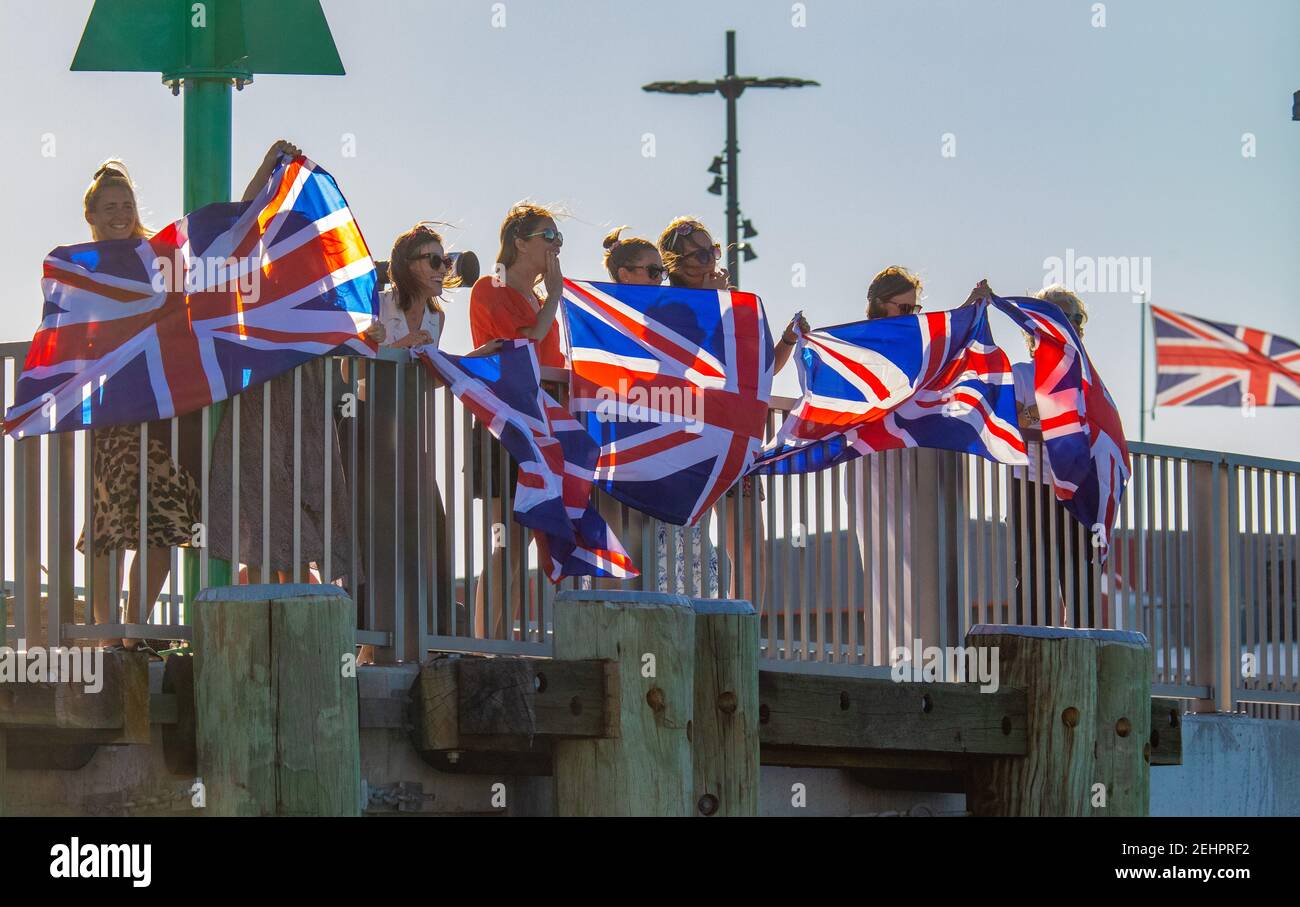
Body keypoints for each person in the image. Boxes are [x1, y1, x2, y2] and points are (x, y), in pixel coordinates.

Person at [208, 141, 362, 587]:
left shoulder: (322, 286)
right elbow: (238, 226)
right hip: (258, 407)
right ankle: (255, 626)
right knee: (257, 519)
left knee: (302, 515)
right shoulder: (252, 278)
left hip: (307, 409)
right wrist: (265, 168)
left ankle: (290, 614)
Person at [75, 160, 202, 648]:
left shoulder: (158, 259)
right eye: (111, 207)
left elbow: (216, 242)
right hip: (112, 414)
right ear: (92, 214)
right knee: (110, 526)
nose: (121, 213)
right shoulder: (83, 269)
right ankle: (109, 635)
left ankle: (135, 631)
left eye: (127, 204)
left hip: (162, 409)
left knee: (164, 527)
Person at [655, 217, 805, 609]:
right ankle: (678, 621)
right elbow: (685, 360)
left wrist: (788, 339)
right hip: (685, 433)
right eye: (700, 254)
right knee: (677, 540)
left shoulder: (736, 304)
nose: (710, 261)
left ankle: (744, 623)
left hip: (734, 433)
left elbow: (761, 369)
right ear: (675, 263)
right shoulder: (667, 305)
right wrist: (713, 304)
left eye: (713, 251)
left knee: (749, 540)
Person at [467, 204, 565, 637]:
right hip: (502, 425)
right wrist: (557, 298)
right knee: (504, 542)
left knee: (526, 543)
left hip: (539, 427)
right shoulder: (492, 286)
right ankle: (484, 643)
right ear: (519, 242)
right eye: (549, 234)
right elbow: (522, 345)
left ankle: (500, 642)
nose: (557, 244)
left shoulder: (539, 299)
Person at [1009, 284, 1096, 627]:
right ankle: (1034, 652)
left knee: (1081, 575)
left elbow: (1097, 429)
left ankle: (1085, 652)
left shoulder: (1089, 379)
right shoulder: (1021, 373)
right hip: (1031, 484)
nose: (1073, 326)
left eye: (1076, 319)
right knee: (1033, 575)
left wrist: (1041, 416)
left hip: (1077, 484)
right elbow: (1015, 420)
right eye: (1062, 317)